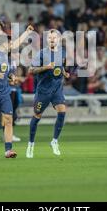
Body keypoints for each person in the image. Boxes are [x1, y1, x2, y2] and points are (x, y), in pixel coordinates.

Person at [26, 29, 70, 158]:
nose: (52, 39)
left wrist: (64, 73)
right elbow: (30, 70)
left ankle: (54, 141)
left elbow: (61, 66)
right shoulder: (41, 54)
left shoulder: (62, 51)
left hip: (57, 89)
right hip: (43, 91)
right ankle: (31, 145)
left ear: (58, 39)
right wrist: (45, 67)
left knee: (62, 111)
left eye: (54, 37)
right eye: (49, 37)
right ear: (46, 39)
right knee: (37, 116)